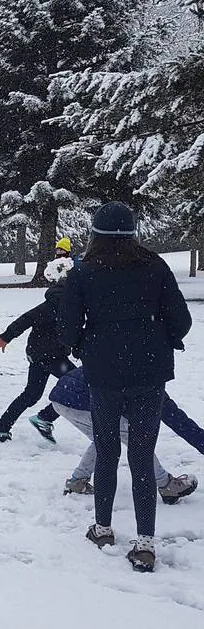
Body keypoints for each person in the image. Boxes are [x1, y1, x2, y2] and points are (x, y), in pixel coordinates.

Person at [60, 202, 192, 572]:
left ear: (95, 234)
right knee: (141, 452)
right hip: (149, 372)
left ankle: (102, 528)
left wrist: (87, 344)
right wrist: (156, 338)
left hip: (103, 374)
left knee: (106, 450)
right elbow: (181, 321)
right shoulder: (155, 266)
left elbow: (67, 329)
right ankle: (146, 542)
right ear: (133, 232)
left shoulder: (82, 272)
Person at [48, 367, 197, 503]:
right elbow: (178, 421)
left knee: (103, 438)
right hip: (80, 401)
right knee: (137, 441)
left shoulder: (131, 360)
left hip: (62, 398)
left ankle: (77, 482)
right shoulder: (149, 384)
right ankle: (166, 486)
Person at [0, 258, 76, 442]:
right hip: (50, 356)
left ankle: (1, 427)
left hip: (39, 354)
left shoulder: (62, 302)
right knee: (78, 385)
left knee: (32, 394)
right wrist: (6, 337)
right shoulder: (57, 305)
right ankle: (45, 418)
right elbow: (26, 319)